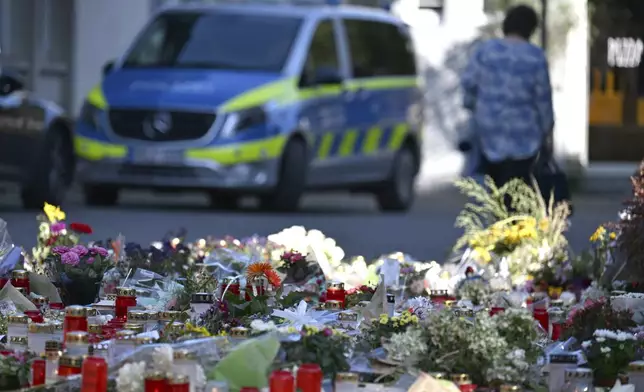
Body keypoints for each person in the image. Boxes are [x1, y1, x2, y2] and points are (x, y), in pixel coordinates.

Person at [460, 4, 554, 190]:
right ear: (531, 28)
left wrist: (476, 109)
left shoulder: (485, 51)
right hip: (524, 137)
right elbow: (542, 99)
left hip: (488, 134)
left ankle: (497, 216)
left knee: (494, 190)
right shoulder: (535, 56)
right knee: (518, 190)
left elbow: (469, 86)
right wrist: (547, 130)